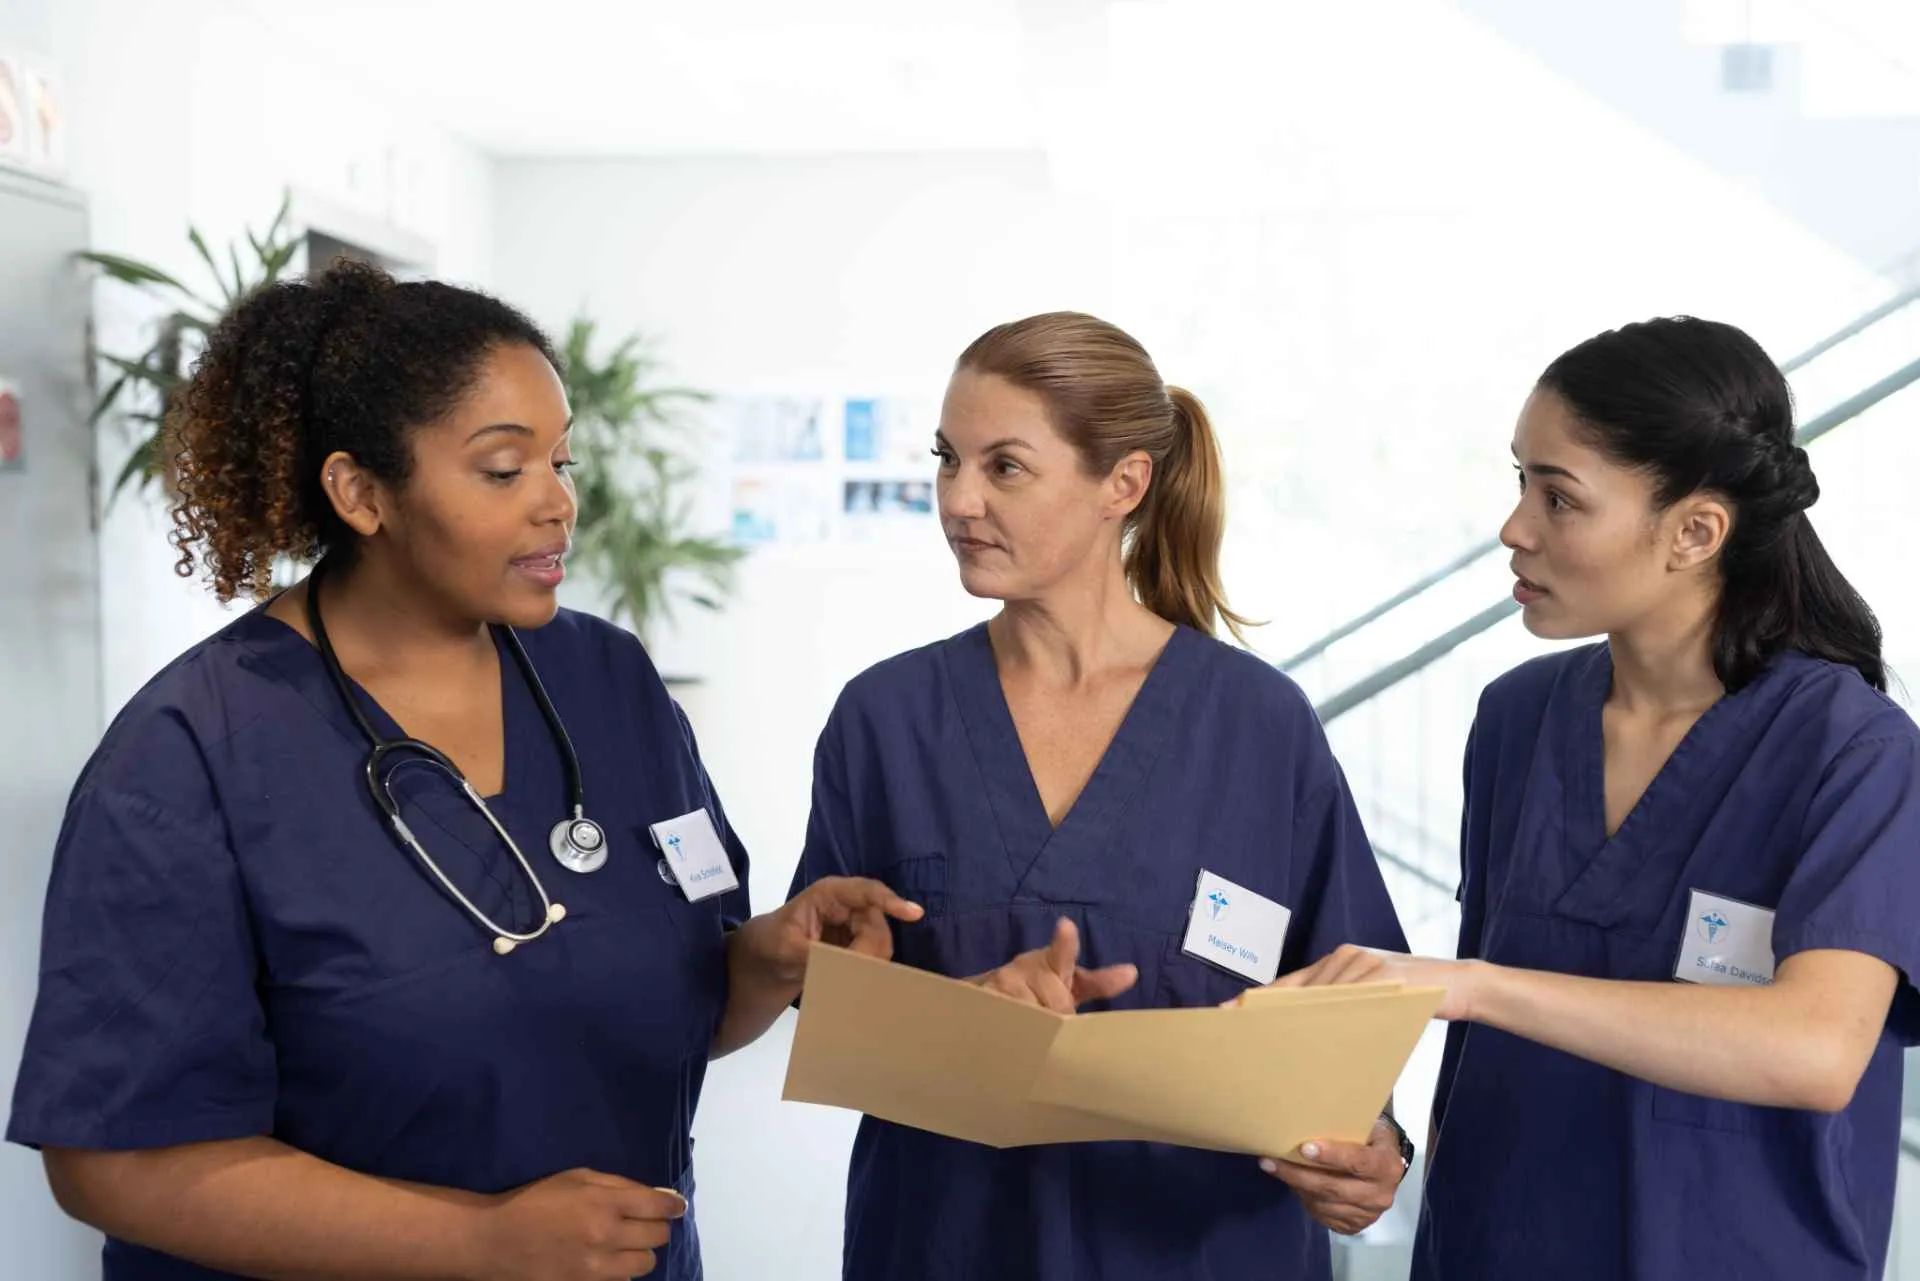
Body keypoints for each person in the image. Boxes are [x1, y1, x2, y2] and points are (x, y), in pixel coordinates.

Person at [6, 259, 918, 1281]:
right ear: (361, 492)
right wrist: (473, 1244)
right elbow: (113, 1160)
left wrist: (765, 962)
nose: (556, 505)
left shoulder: (607, 682)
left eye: (562, 465)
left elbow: (667, 1009)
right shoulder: (190, 755)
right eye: (503, 469)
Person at [1272, 316, 1920, 1280]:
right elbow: (1478, 1074)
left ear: (1696, 532)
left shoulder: (1851, 749)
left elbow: (1817, 1048)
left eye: (1559, 498)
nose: (1515, 529)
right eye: (1519, 482)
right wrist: (1380, 1146)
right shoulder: (1517, 722)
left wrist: (1474, 988)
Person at [788, 311, 1414, 1280]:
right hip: (949, 1244)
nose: (958, 500)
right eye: (947, 459)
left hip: (1206, 1249)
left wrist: (1372, 1145)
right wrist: (964, 1020)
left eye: (1004, 468)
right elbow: (818, 998)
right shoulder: (886, 720)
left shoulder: (1258, 725)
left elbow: (1351, 1008)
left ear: (1123, 483)